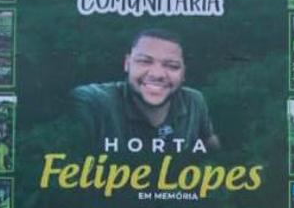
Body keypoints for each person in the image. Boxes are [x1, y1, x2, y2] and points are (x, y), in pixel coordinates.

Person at [71, 29, 220, 153]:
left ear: (183, 72)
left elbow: (210, 141)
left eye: (172, 65)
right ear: (127, 64)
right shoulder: (95, 101)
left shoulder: (194, 100)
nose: (157, 74)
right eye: (144, 61)